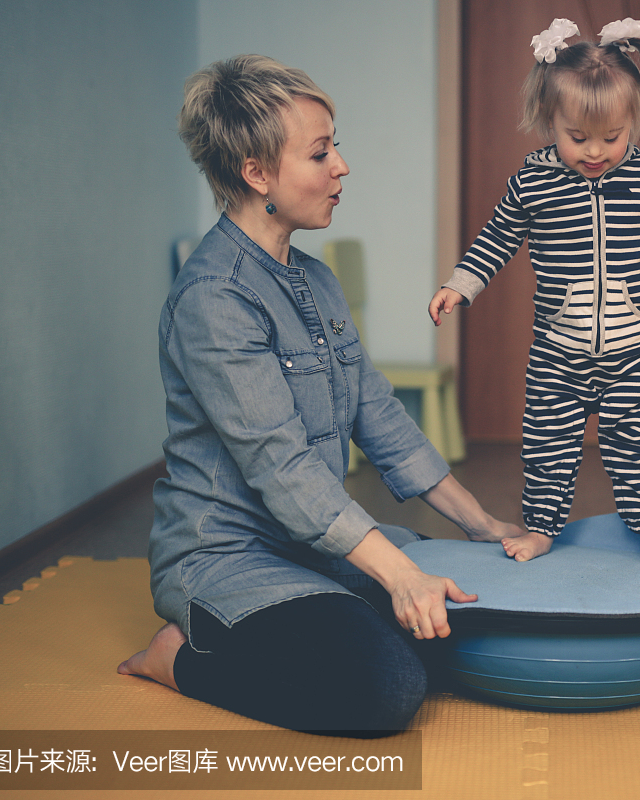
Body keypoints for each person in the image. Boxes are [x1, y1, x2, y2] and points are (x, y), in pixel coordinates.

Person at [118, 54, 524, 735]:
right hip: (228, 558)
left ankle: (355, 610)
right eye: (320, 152)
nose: (341, 166)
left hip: (313, 546)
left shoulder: (314, 279)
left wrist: (481, 526)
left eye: (336, 146)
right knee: (389, 689)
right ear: (257, 173)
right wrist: (397, 576)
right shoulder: (213, 299)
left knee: (474, 613)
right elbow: (283, 468)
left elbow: (377, 413)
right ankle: (178, 660)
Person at [429, 18, 640, 568]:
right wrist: (460, 284)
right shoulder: (532, 183)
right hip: (557, 351)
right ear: (549, 120)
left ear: (633, 122)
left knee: (638, 447)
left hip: (633, 351)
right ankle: (542, 529)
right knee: (548, 448)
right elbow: (498, 237)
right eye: (578, 138)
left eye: (613, 137)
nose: (596, 152)